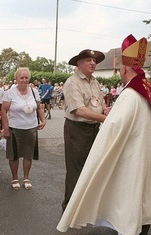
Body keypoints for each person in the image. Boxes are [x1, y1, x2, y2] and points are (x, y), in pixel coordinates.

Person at [57, 35, 151, 235]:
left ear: (125, 69)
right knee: (143, 188)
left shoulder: (130, 93)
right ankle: (143, 227)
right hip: (142, 148)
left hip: (131, 151)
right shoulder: (149, 88)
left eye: (120, 67)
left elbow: (115, 127)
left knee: (128, 187)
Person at [60, 49, 109, 211]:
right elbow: (79, 110)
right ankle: (70, 208)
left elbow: (98, 105)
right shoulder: (72, 82)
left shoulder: (94, 82)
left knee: (92, 167)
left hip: (94, 128)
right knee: (76, 169)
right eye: (88, 60)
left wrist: (106, 110)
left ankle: (86, 206)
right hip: (77, 129)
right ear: (79, 63)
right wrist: (104, 118)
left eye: (94, 61)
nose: (93, 63)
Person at [1, 67, 46, 190]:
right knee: (14, 155)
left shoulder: (34, 91)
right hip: (15, 128)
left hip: (31, 128)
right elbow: (3, 111)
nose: (24, 80)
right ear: (16, 79)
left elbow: (39, 107)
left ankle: (26, 177)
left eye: (26, 78)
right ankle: (15, 178)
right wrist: (5, 129)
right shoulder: (9, 93)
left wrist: (43, 120)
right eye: (22, 78)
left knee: (28, 155)